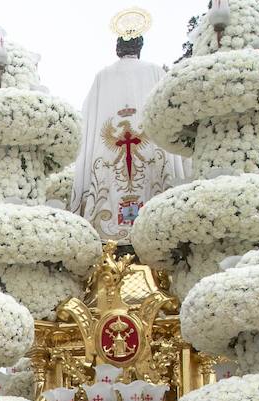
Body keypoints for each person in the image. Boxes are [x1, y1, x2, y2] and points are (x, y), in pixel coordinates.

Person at [70, 27, 186, 242]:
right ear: (140, 46)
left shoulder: (103, 76)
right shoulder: (155, 72)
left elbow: (89, 120)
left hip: (109, 155)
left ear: (118, 48)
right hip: (149, 150)